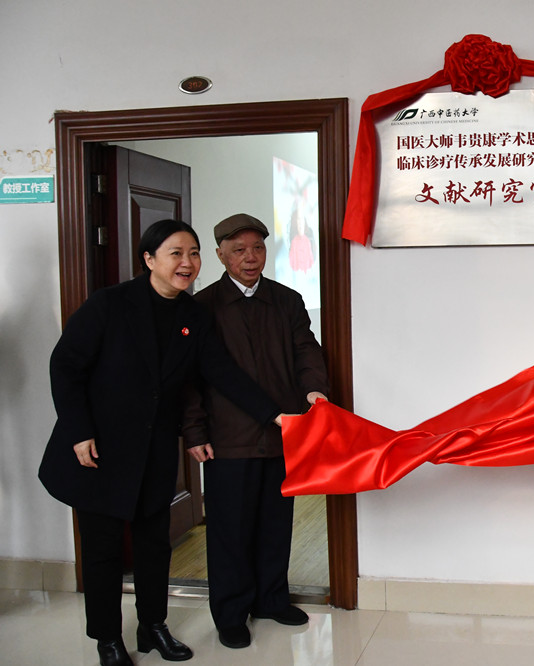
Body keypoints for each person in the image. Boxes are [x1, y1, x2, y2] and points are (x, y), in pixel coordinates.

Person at [38, 219, 283, 666]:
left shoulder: (193, 316)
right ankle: (108, 639)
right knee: (103, 550)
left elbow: (221, 373)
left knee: (154, 546)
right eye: (176, 253)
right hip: (100, 450)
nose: (187, 263)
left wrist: (274, 414)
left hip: (153, 452)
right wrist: (78, 431)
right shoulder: (109, 305)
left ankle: (153, 627)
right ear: (149, 259)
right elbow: (66, 366)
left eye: (193, 253)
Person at [182, 213, 329, 649]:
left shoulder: (286, 300)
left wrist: (315, 390)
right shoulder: (202, 307)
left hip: (282, 432)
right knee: (229, 529)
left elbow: (307, 351)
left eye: (258, 248)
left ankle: (271, 599)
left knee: (275, 523)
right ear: (220, 255)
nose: (251, 258)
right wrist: (194, 431)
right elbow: (188, 378)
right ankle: (231, 613)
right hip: (228, 437)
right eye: (239, 250)